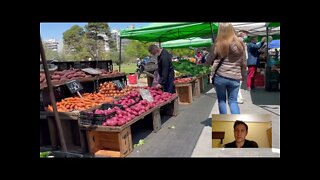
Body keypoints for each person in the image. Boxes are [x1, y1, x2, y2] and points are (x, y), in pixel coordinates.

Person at [206, 23, 246, 114]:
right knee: (233, 101)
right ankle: (237, 124)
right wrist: (244, 75)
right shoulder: (240, 44)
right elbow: (243, 63)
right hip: (235, 77)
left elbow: (209, 59)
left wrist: (206, 64)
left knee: (222, 101)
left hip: (220, 76)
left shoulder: (218, 44)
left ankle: (224, 124)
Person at [237, 31, 248, 104]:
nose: (246, 36)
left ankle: (239, 96)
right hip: (239, 65)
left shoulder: (242, 44)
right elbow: (244, 56)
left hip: (240, 65)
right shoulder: (239, 44)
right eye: (245, 35)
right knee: (238, 82)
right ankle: (238, 97)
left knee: (239, 82)